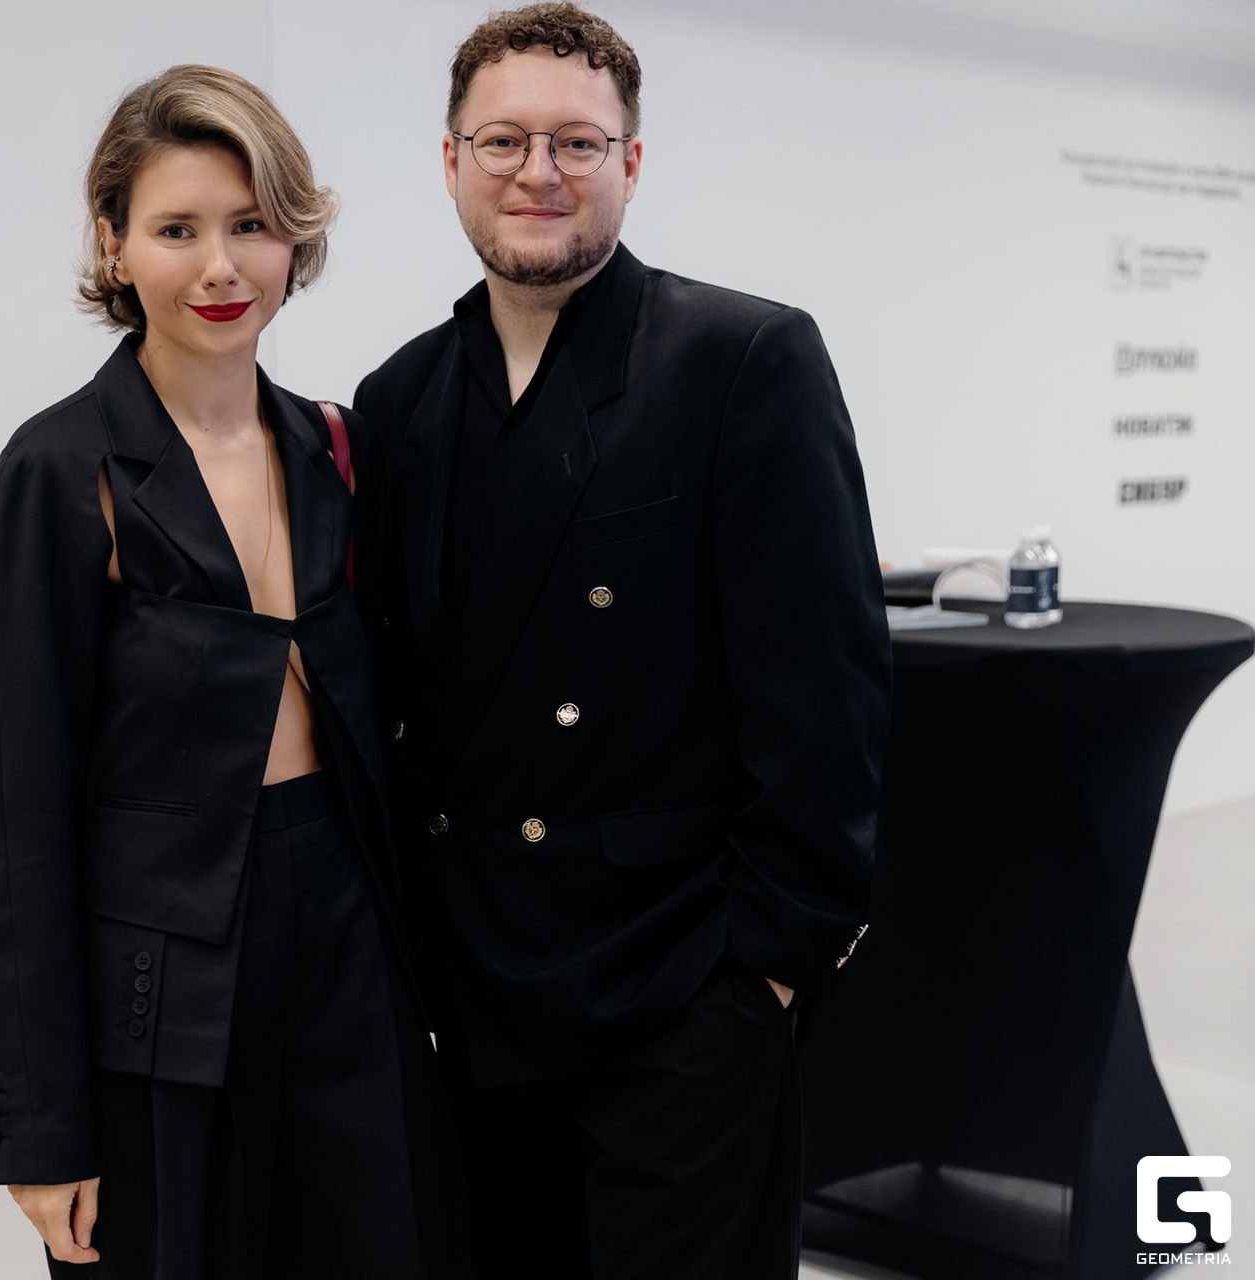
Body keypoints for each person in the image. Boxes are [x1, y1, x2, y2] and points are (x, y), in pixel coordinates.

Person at [354, 5, 892, 1276]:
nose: (537, 171)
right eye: (502, 141)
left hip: (679, 988)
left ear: (631, 162)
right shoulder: (398, 397)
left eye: (577, 143)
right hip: (476, 997)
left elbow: (825, 691)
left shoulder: (741, 357)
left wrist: (768, 971)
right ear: (450, 161)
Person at [0, 64, 467, 1280]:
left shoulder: (336, 446)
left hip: (347, 930)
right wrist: (42, 1127)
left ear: (294, 235)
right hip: (163, 977)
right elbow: (22, 814)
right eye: (177, 229)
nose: (221, 267)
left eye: (250, 225)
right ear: (113, 242)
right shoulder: (60, 468)